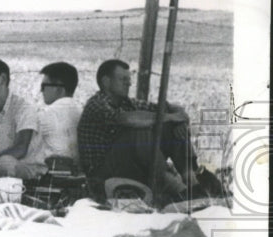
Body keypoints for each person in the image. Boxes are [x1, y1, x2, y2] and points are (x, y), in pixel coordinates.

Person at [77, 59, 201, 204]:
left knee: (171, 126)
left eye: (129, 79)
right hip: (102, 173)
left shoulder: (127, 103)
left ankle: (192, 181)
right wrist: (170, 117)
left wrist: (177, 120)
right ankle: (172, 189)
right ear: (106, 82)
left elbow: (171, 109)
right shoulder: (96, 105)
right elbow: (127, 120)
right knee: (139, 132)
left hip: (128, 166)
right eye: (123, 79)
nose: (129, 83)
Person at [12, 62, 84, 179]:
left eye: (44, 86)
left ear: (59, 88)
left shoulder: (45, 115)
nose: (41, 91)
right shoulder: (81, 111)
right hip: (77, 174)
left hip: (50, 177)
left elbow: (24, 152)